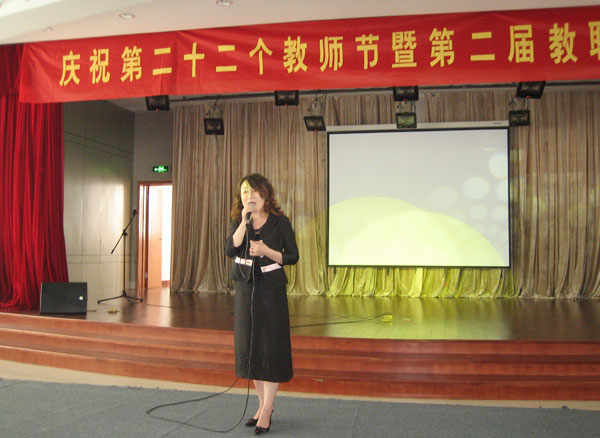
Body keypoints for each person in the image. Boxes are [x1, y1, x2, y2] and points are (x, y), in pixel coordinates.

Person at [224, 173, 299, 435]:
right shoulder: (239, 221)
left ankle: (267, 409)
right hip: (246, 292)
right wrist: (244, 221)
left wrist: (267, 251)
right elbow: (230, 249)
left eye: (254, 191)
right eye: (245, 192)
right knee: (252, 348)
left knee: (270, 350)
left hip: (271, 293)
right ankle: (261, 405)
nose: (249, 196)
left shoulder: (280, 223)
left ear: (266, 195)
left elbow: (292, 256)